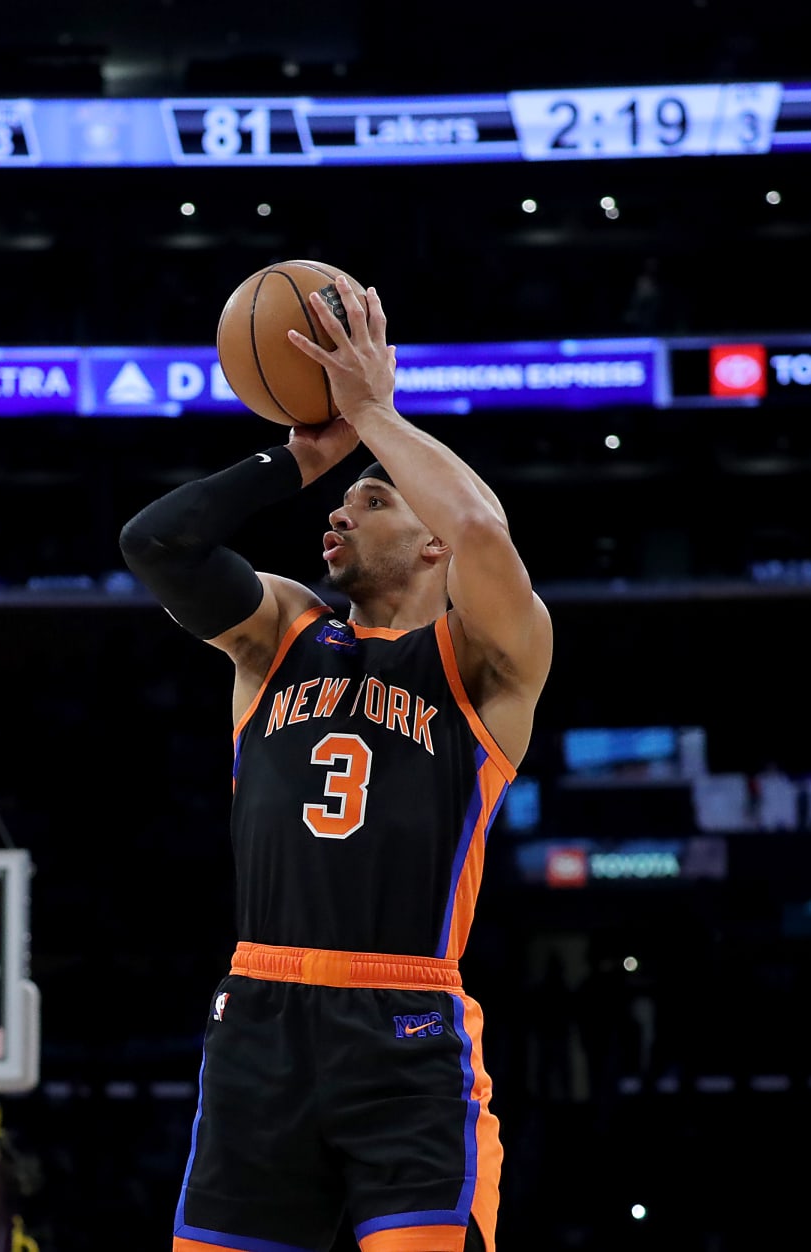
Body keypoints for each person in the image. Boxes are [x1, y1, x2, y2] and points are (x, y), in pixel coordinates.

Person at [118, 276, 553, 1252]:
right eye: (341, 501)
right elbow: (155, 542)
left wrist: (373, 413)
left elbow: (484, 531)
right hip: (259, 1014)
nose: (338, 514)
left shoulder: (483, 660)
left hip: (407, 1024)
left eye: (373, 497)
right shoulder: (281, 629)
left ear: (432, 543)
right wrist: (300, 457)